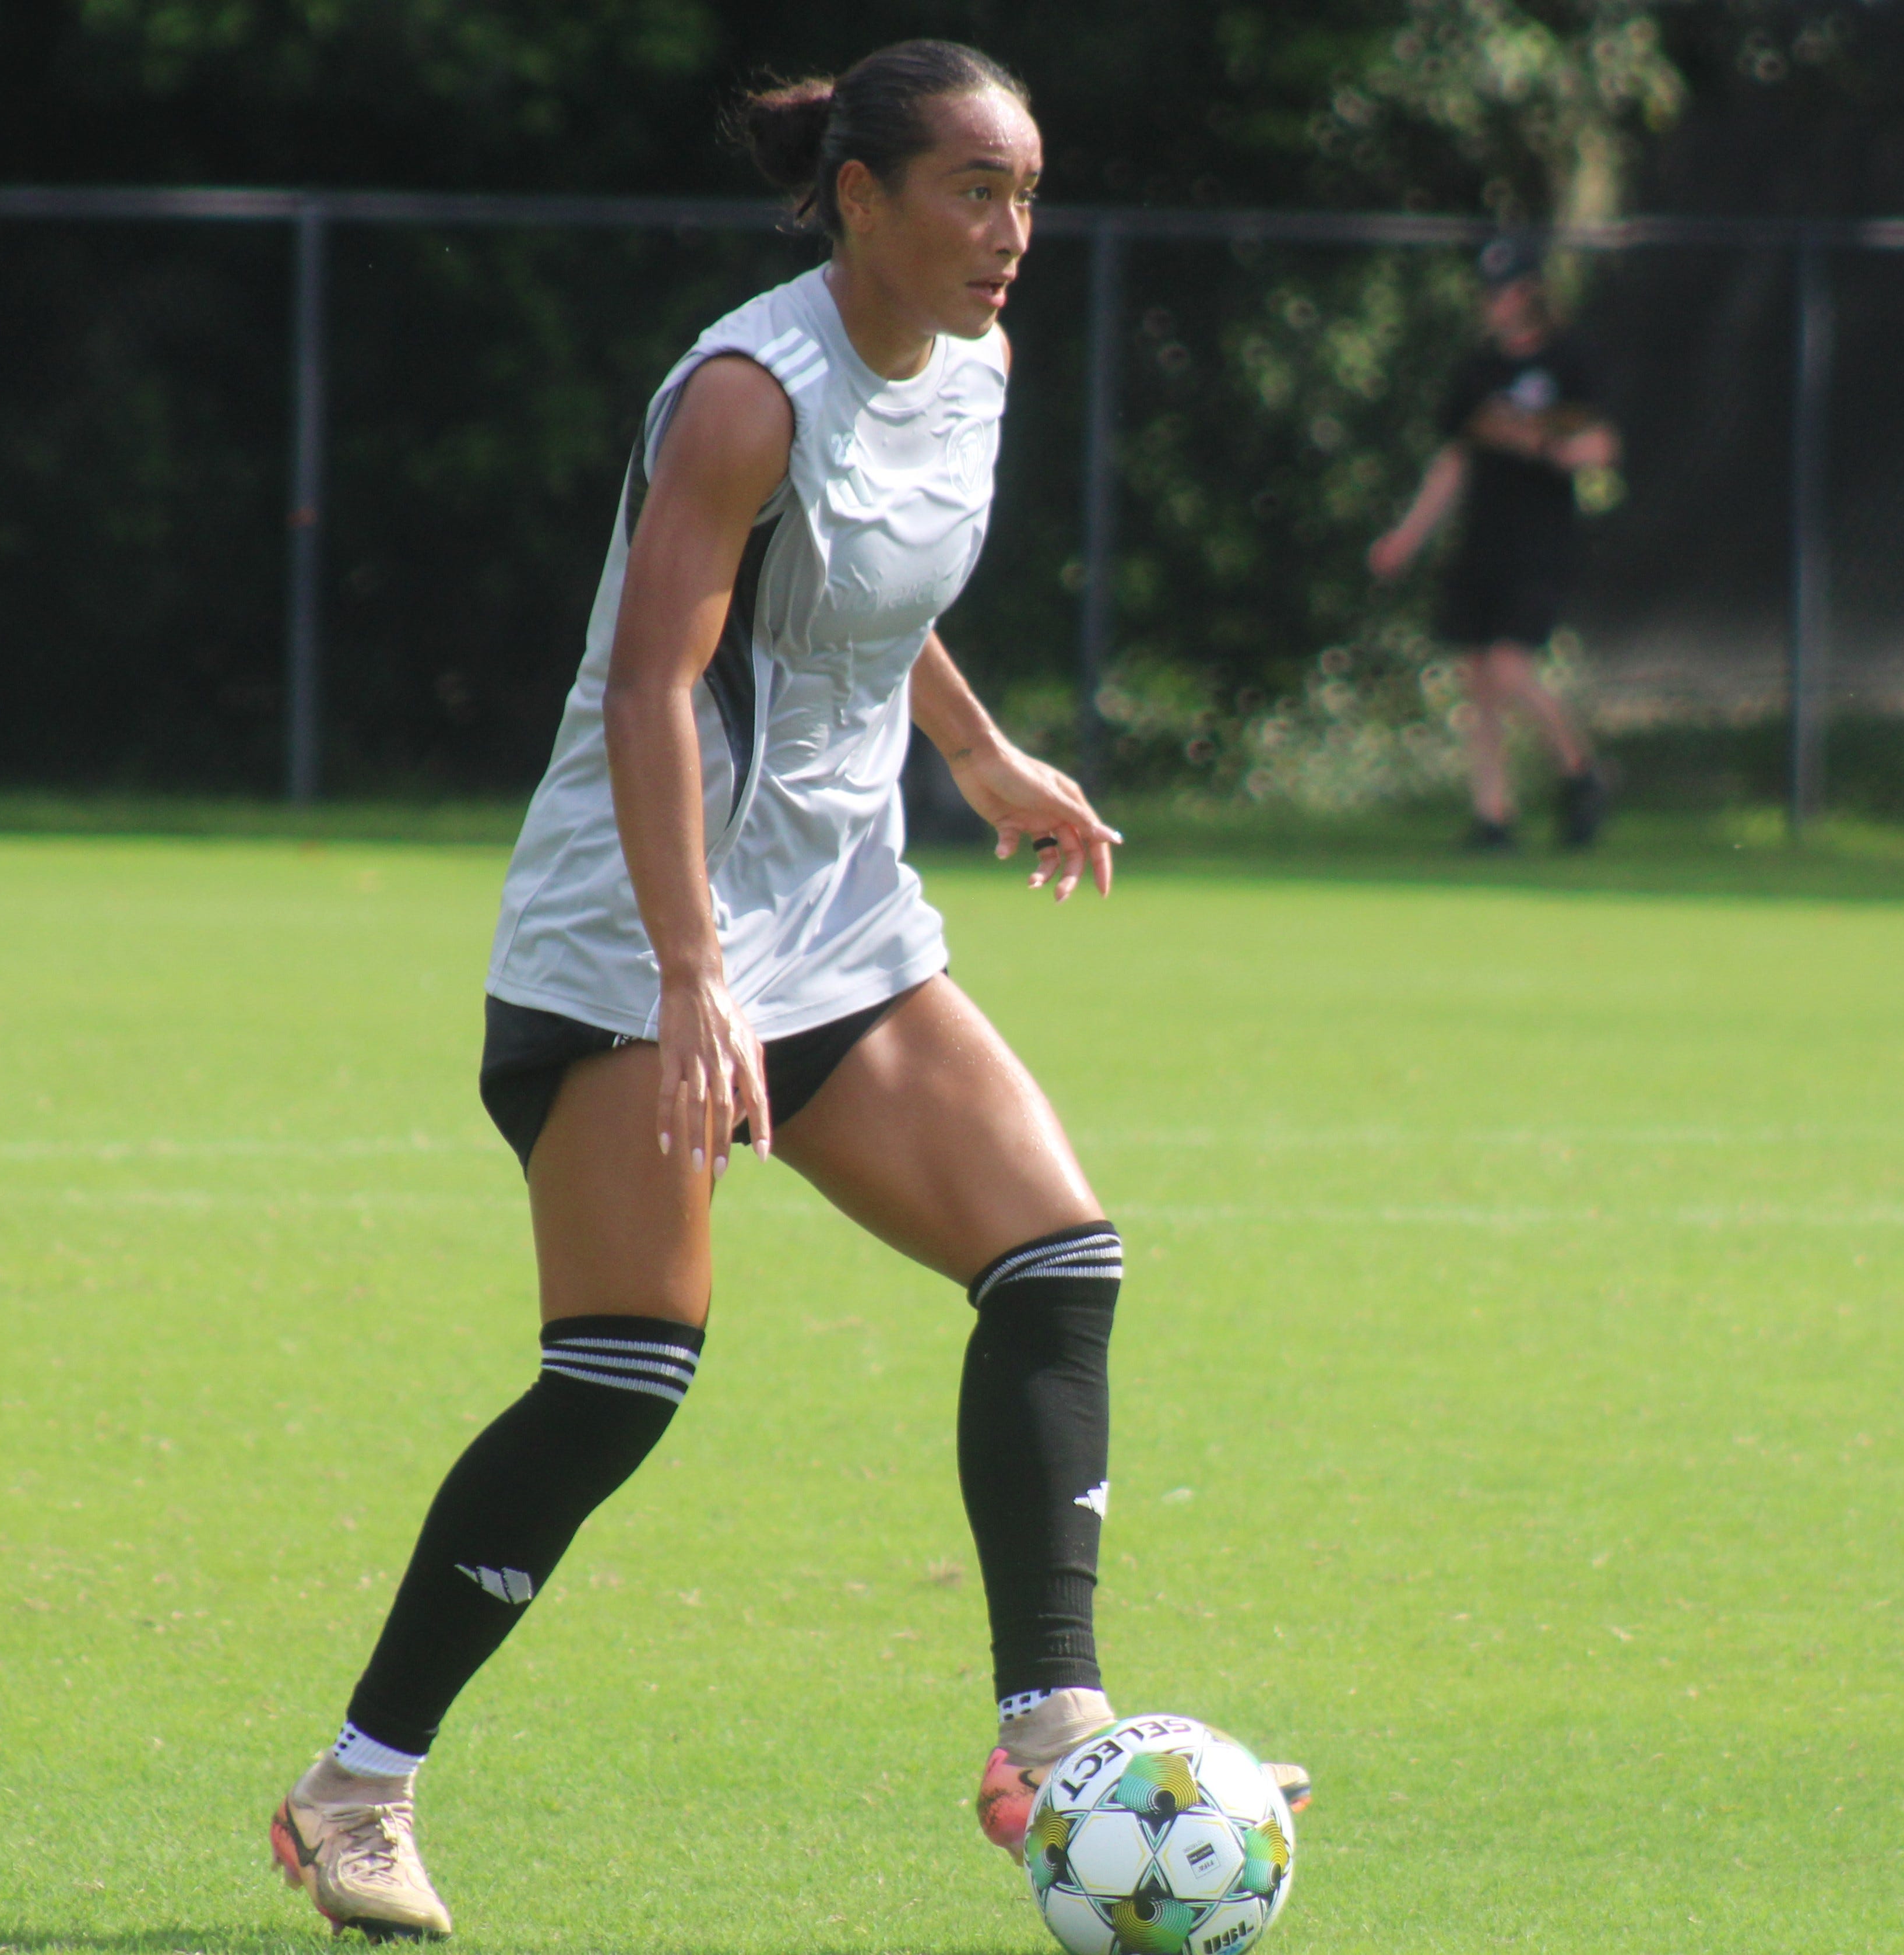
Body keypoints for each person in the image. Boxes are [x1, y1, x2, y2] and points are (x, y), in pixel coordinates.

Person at [265, 41, 1303, 1942]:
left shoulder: (975, 365)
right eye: (976, 191)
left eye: (1030, 190)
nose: (1013, 233)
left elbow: (866, 600)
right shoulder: (750, 392)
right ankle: (357, 1784)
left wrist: (980, 755)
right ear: (859, 198)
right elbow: (661, 679)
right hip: (623, 946)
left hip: (842, 920)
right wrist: (687, 978)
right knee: (620, 1376)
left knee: (1058, 1262)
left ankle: (1048, 1725)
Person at [1369, 235, 1618, 851]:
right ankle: (1493, 814)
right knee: (1477, 676)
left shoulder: (1569, 359)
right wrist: (1406, 537)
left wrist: (1549, 447)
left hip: (1542, 542)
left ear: (1529, 292)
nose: (1491, 302)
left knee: (1510, 666)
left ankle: (1583, 773)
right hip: (1482, 539)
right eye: (1487, 292)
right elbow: (1453, 463)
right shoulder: (1477, 371)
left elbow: (1600, 447)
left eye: (1502, 291)